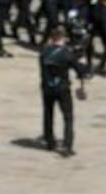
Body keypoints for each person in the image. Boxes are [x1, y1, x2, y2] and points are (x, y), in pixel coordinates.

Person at [38, 23, 89, 157]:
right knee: (68, 117)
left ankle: (49, 141)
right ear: (64, 38)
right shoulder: (66, 54)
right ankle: (67, 145)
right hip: (62, 88)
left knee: (48, 114)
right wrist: (83, 62)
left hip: (47, 87)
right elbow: (82, 71)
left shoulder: (44, 52)